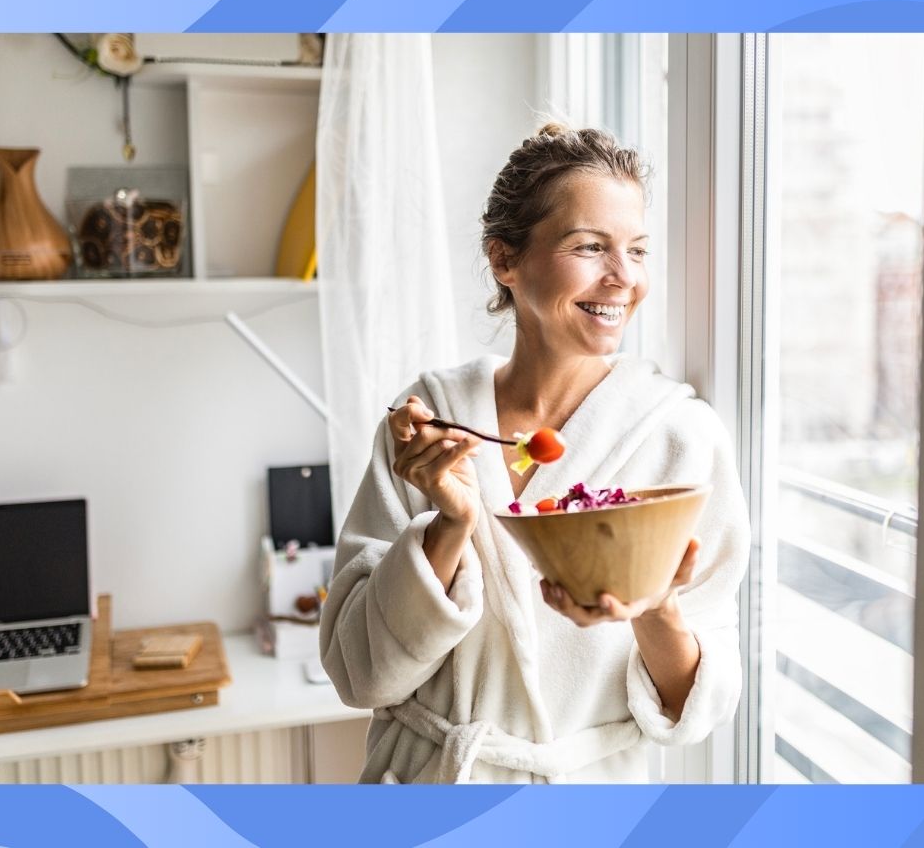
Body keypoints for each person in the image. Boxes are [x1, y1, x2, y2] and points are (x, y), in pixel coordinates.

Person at [319, 123, 750, 783]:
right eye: (591, 246)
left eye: (637, 249)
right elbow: (360, 674)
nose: (624, 277)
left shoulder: (681, 439)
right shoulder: (427, 427)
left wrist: (654, 605)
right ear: (505, 260)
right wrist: (449, 525)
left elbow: (700, 707)